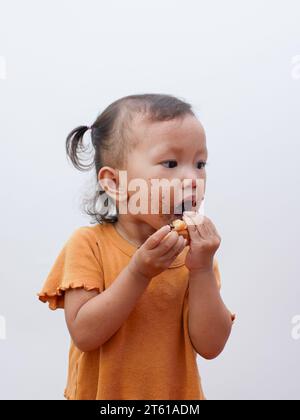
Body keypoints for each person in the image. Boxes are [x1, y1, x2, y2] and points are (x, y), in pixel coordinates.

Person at [37, 93, 235, 400]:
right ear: (114, 183)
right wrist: (139, 272)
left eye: (200, 163)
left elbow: (211, 346)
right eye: (171, 163)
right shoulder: (88, 245)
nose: (193, 178)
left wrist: (202, 271)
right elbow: (85, 334)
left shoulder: (196, 256)